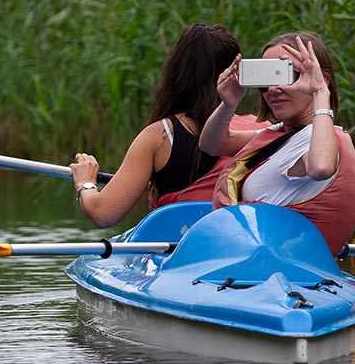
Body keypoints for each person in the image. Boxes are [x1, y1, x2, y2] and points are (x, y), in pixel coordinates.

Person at [199, 31, 355, 255]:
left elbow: (321, 167)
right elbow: (211, 144)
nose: (273, 89)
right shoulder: (279, 135)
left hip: (273, 260)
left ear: (321, 79)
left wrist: (319, 92)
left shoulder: (315, 141)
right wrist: (228, 104)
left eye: (288, 75)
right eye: (267, 78)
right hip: (247, 256)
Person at [69, 23, 241, 228]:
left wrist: (85, 182)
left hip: (178, 250)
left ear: (177, 71)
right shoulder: (259, 130)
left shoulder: (160, 136)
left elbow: (102, 213)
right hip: (234, 242)